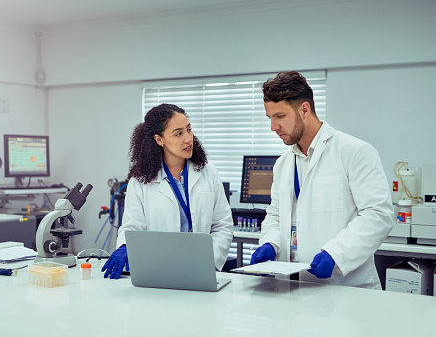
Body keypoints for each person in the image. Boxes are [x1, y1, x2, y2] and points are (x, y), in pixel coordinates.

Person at [250, 71, 393, 288]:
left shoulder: (354, 152)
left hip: (346, 286)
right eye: (270, 118)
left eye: (280, 117)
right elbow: (276, 215)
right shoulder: (283, 164)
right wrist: (271, 242)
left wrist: (335, 254)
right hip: (294, 285)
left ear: (304, 109)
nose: (273, 127)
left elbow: (378, 215)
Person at [102, 103, 234, 279]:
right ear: (159, 139)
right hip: (158, 270)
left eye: (189, 130)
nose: (188, 138)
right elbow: (132, 228)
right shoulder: (140, 181)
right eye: (178, 133)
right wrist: (126, 246)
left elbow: (222, 225)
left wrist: (208, 262)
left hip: (202, 269)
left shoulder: (208, 172)